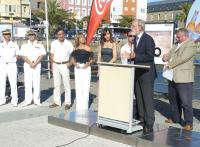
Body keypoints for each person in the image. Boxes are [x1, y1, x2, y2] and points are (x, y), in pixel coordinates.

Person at [163, 28, 196, 131]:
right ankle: (175, 118)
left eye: (178, 36)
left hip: (184, 78)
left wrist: (169, 65)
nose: (176, 38)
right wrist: (165, 57)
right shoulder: (176, 45)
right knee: (173, 100)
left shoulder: (191, 44)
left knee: (186, 102)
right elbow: (170, 54)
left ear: (185, 36)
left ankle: (189, 123)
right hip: (172, 76)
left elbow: (182, 58)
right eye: (176, 36)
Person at [129, 19, 157, 134]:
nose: (131, 27)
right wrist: (130, 56)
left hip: (146, 74)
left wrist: (136, 55)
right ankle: (141, 119)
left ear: (140, 27)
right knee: (139, 99)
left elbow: (150, 56)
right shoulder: (135, 39)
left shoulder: (148, 39)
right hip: (138, 73)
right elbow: (136, 56)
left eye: (133, 26)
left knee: (147, 100)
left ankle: (149, 123)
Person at [20, 30, 46, 106]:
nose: (31, 36)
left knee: (36, 83)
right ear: (28, 36)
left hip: (37, 65)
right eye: (30, 35)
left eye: (33, 35)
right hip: (28, 65)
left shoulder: (40, 45)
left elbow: (42, 55)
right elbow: (23, 56)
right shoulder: (24, 45)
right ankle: (28, 100)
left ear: (35, 36)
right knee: (28, 83)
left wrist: (35, 63)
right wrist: (30, 63)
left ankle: (37, 100)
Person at [49, 28, 73, 110]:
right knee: (56, 85)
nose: (61, 35)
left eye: (62, 33)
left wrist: (69, 64)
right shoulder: (53, 43)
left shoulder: (68, 43)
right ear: (56, 35)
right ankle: (57, 102)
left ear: (64, 34)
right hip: (56, 65)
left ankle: (68, 103)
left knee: (67, 85)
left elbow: (73, 55)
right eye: (59, 34)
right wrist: (52, 66)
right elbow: (51, 55)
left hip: (64, 65)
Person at [70, 33, 93, 111]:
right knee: (78, 87)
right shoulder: (75, 48)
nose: (83, 39)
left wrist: (88, 63)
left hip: (86, 68)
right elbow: (72, 58)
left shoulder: (88, 48)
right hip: (78, 68)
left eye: (84, 37)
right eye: (81, 38)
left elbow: (92, 59)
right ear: (78, 39)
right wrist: (74, 63)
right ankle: (79, 107)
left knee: (86, 87)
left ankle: (85, 107)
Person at [0, 29, 19, 107]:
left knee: (13, 83)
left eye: (8, 34)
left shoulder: (14, 45)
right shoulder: (0, 45)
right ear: (3, 36)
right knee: (1, 83)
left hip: (12, 65)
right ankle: (2, 100)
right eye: (5, 35)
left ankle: (14, 100)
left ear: (10, 35)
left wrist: (13, 61)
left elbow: (17, 55)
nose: (7, 36)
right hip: (2, 65)